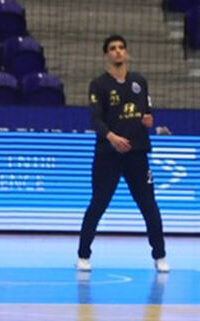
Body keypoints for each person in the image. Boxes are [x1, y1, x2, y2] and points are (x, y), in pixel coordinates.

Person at [77, 34, 168, 272]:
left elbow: (146, 115)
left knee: (149, 204)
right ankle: (83, 255)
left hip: (137, 153)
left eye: (121, 48)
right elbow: (96, 119)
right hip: (108, 153)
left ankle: (160, 256)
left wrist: (149, 121)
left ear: (126, 52)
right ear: (106, 55)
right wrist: (112, 137)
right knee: (98, 203)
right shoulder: (99, 84)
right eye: (112, 48)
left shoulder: (139, 82)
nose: (117, 51)